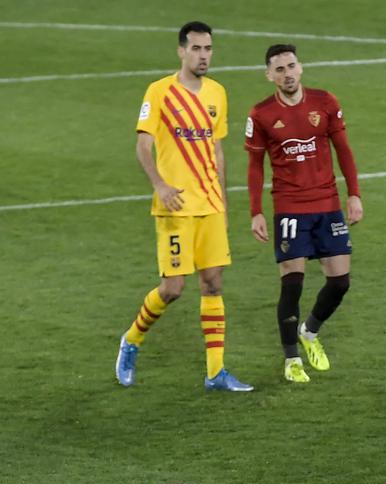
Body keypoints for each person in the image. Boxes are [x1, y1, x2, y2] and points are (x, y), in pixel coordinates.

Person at [115, 21, 254, 392]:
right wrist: (159, 185)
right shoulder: (159, 91)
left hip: (209, 205)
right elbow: (143, 145)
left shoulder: (217, 93)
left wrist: (224, 201)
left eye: (208, 48)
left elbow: (217, 149)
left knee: (213, 283)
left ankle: (215, 373)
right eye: (196, 48)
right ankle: (132, 339)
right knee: (172, 288)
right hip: (175, 205)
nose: (203, 55)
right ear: (181, 51)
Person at [245, 43, 362, 384]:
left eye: (291, 66)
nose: (287, 74)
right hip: (290, 208)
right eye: (279, 69)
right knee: (292, 284)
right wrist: (256, 211)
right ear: (269, 75)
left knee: (340, 281)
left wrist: (354, 194)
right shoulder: (261, 114)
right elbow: (255, 166)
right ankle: (291, 359)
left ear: (301, 67)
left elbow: (344, 151)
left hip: (327, 204)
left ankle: (309, 332)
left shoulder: (325, 102)